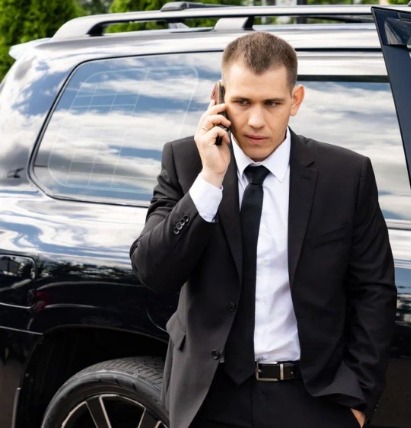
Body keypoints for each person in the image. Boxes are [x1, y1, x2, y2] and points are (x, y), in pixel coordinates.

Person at [130, 32, 396, 428]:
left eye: (272, 103)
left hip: (312, 399)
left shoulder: (346, 175)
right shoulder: (186, 161)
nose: (256, 121)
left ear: (296, 100)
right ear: (218, 98)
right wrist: (210, 180)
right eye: (242, 102)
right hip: (209, 398)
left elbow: (374, 290)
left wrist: (357, 398)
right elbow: (154, 272)